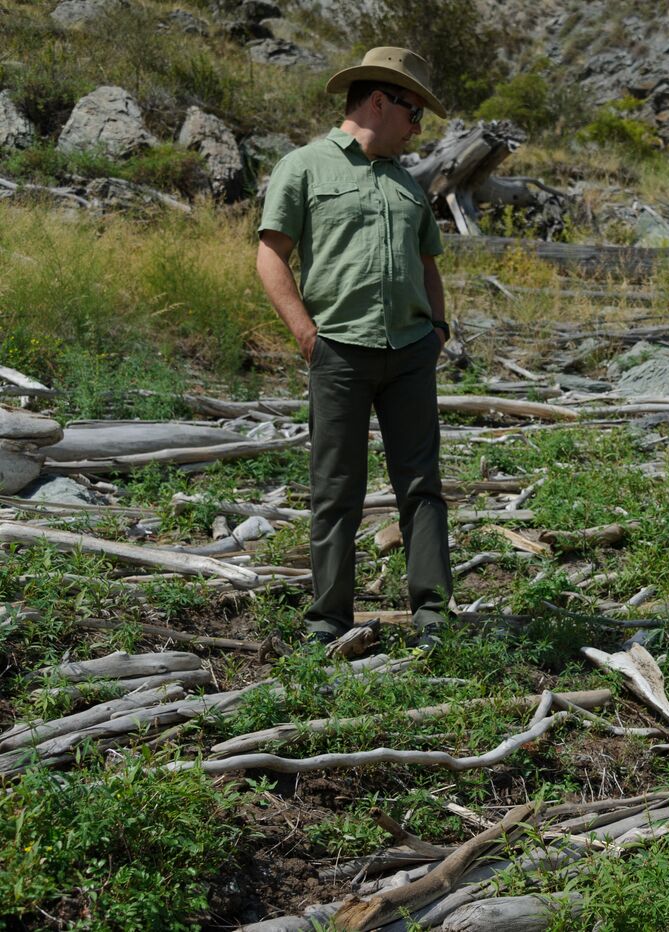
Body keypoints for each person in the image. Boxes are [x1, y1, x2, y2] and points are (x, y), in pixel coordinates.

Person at [255, 47, 453, 648]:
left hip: (411, 352)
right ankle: (328, 623)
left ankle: (434, 618)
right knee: (335, 488)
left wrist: (438, 332)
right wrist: (306, 335)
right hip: (338, 351)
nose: (417, 127)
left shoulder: (406, 184)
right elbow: (270, 255)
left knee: (421, 485)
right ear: (377, 102)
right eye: (413, 112)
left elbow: (428, 263)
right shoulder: (305, 167)